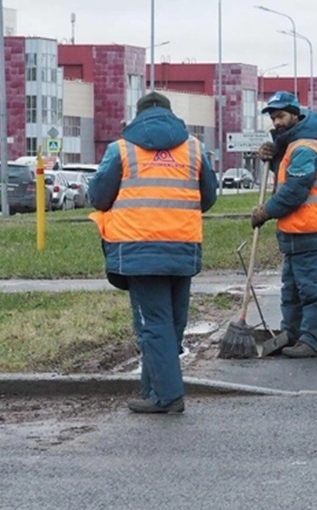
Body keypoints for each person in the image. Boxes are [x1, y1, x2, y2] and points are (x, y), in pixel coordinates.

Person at [89, 91, 218, 414]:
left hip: (139, 248)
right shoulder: (195, 148)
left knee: (153, 324)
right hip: (183, 245)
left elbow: (99, 197)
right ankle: (152, 389)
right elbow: (209, 196)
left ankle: (168, 397)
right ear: (171, 114)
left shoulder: (121, 149)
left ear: (139, 114)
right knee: (171, 324)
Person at [252, 91, 317, 359]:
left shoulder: (305, 147)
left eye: (281, 116)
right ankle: (292, 334)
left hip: (313, 231)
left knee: (312, 290)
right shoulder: (293, 144)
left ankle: (313, 341)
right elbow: (287, 174)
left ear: (295, 115)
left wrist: (266, 211)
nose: (277, 122)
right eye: (273, 118)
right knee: (291, 291)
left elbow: (295, 190)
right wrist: (274, 156)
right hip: (296, 231)